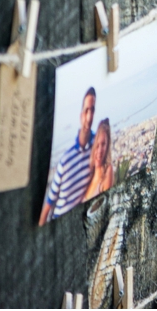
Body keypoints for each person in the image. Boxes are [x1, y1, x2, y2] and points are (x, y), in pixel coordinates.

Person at [40, 88, 97, 225]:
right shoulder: (66, 160)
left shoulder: (98, 148)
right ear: (80, 115)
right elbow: (50, 201)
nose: (89, 117)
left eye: (92, 110)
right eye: (86, 111)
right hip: (58, 221)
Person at [82, 119, 116, 201]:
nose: (99, 150)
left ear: (107, 146)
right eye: (97, 145)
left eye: (103, 144)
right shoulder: (89, 175)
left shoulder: (108, 171)